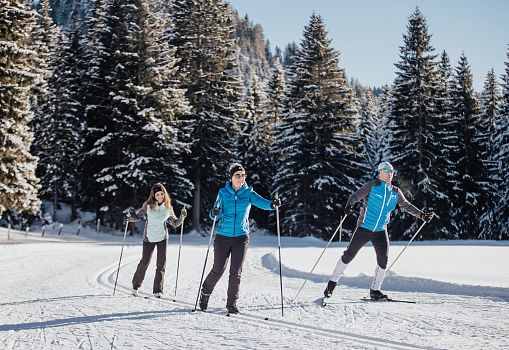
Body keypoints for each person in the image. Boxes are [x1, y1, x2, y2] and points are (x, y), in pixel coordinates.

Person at [324, 161, 433, 300]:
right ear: (380, 173)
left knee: (383, 260)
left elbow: (406, 205)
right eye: (386, 172)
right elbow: (355, 196)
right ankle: (331, 285)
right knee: (349, 255)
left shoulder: (395, 192)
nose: (389, 175)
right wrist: (349, 205)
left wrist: (421, 215)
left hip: (381, 231)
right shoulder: (372, 186)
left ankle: (375, 290)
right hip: (364, 228)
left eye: (391, 172)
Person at [199, 163, 281, 314]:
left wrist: (272, 204)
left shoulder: (248, 193)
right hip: (223, 237)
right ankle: (205, 292)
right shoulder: (223, 193)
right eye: (238, 175)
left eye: (243, 175)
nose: (241, 178)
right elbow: (213, 213)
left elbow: (262, 202)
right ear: (231, 177)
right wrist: (214, 212)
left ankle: (231, 304)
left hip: (241, 238)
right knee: (218, 270)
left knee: (235, 272)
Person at [128, 183, 187, 298]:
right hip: (149, 237)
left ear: (164, 194)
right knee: (144, 262)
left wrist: (182, 217)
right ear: (153, 195)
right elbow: (139, 216)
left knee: (161, 264)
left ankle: (157, 290)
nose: (160, 196)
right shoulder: (148, 205)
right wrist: (131, 217)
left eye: (161, 194)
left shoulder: (168, 207)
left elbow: (174, 223)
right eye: (157, 194)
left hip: (162, 238)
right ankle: (135, 286)